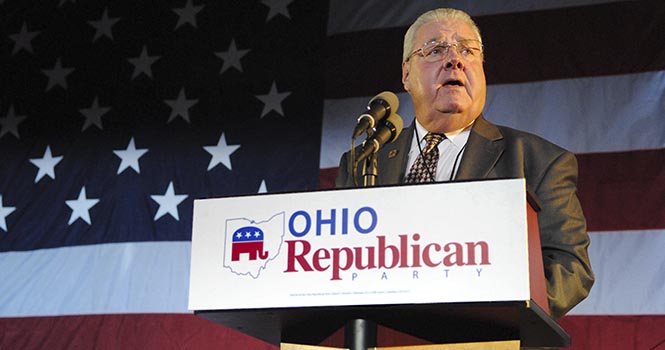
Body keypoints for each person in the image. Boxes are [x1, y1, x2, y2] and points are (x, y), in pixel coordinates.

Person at [335, 8, 594, 319]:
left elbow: (570, 268)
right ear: (406, 74)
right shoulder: (363, 161)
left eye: (468, 50)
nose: (454, 59)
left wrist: (497, 315)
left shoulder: (539, 161)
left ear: (481, 69)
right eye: (435, 49)